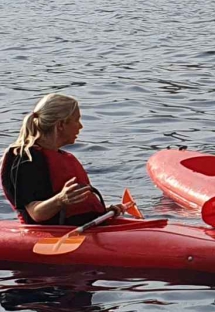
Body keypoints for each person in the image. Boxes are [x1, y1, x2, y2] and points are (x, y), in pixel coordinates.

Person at [2, 94, 125, 226]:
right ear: (61, 124)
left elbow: (75, 211)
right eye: (76, 120)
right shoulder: (27, 159)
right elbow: (35, 213)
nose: (81, 126)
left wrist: (103, 212)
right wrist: (60, 200)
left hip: (84, 227)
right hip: (52, 232)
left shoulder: (62, 156)